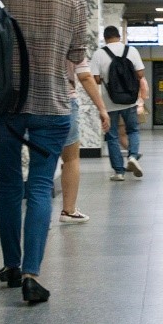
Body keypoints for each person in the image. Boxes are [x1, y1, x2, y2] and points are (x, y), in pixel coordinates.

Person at [0, 0, 87, 304]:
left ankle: (11, 265)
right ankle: (32, 274)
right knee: (42, 186)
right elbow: (77, 56)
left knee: (10, 185)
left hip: (6, 104)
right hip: (53, 104)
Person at [91, 25, 146, 182]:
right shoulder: (131, 51)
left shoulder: (99, 54)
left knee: (112, 136)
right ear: (119, 36)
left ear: (105, 37)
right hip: (129, 100)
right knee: (133, 130)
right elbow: (140, 73)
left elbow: (94, 79)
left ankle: (119, 172)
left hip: (109, 102)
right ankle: (133, 156)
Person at [58, 59, 110, 223]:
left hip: (30, 103)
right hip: (64, 100)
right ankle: (69, 210)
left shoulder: (24, 33)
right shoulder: (71, 36)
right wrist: (102, 108)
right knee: (71, 158)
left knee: (41, 160)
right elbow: (85, 76)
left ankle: (38, 214)